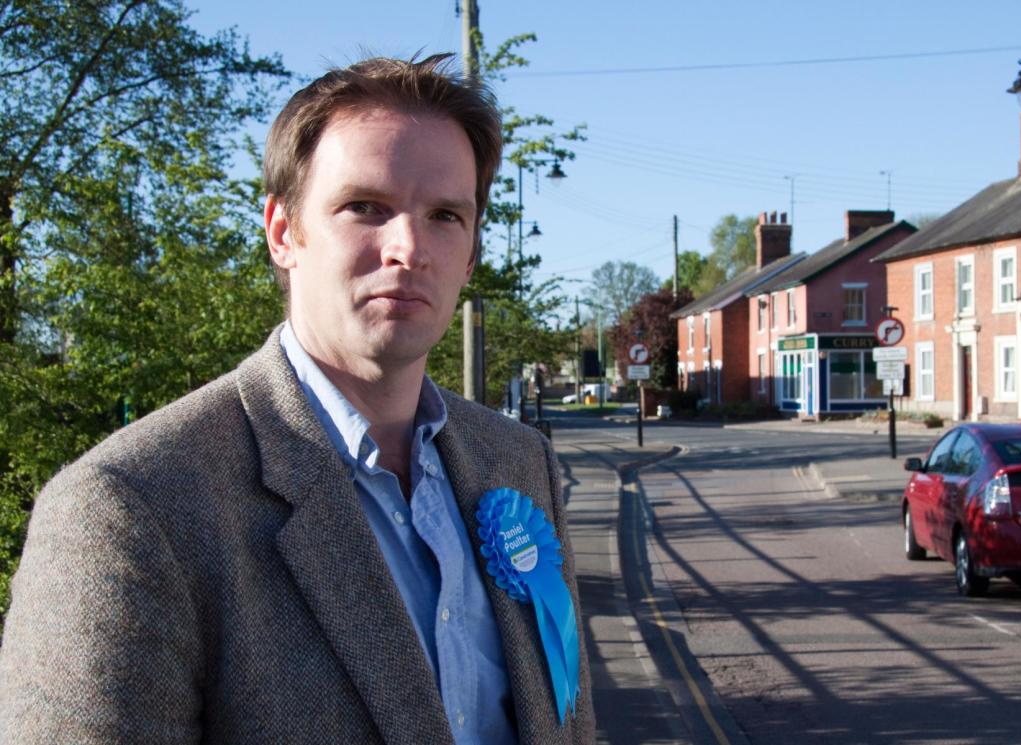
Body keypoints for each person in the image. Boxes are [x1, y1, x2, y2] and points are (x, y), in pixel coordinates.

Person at [0, 55, 594, 745]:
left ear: (469, 256)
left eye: (444, 215)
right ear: (284, 232)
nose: (408, 246)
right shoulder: (131, 508)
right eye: (365, 206)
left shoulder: (520, 464)